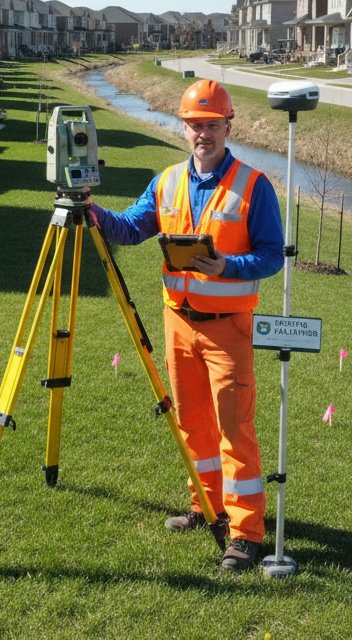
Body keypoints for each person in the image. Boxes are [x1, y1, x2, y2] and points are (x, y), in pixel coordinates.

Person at [90, 79, 284, 573]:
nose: (203, 134)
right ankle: (206, 505)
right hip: (178, 324)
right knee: (193, 425)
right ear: (184, 127)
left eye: (212, 125)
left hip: (228, 330)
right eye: (195, 125)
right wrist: (89, 209)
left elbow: (270, 256)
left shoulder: (255, 186)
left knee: (235, 430)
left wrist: (229, 268)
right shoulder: (167, 182)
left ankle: (244, 533)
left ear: (228, 126)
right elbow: (131, 228)